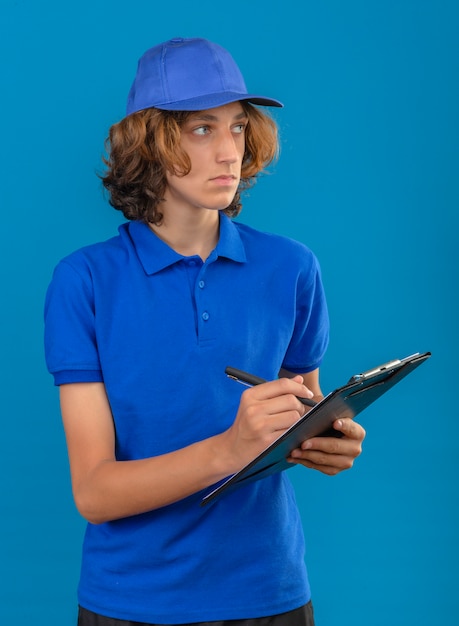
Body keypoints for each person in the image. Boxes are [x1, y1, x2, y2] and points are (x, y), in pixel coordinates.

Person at [44, 37, 365, 626]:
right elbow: (93, 492)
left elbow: (293, 420)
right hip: (133, 602)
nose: (228, 152)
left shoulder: (292, 267)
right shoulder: (84, 281)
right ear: (149, 141)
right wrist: (229, 449)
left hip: (271, 592)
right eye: (201, 129)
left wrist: (321, 441)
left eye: (238, 128)